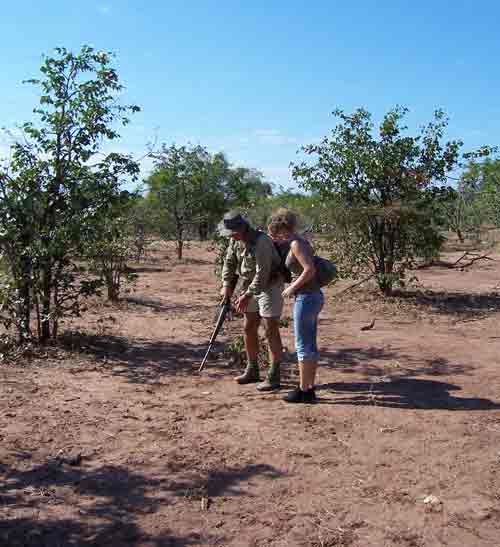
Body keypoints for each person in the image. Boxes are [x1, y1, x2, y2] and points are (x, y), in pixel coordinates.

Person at [219, 211, 284, 391]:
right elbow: (229, 262)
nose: (231, 236)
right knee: (249, 327)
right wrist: (226, 284)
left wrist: (247, 295)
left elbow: (263, 274)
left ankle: (274, 374)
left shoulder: (261, 241)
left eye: (233, 232)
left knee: (270, 329)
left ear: (242, 228)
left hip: (269, 284)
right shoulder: (235, 240)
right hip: (250, 285)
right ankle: (252, 369)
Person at [267, 208, 324, 403]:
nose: (276, 235)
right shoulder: (301, 241)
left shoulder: (296, 244)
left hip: (306, 297)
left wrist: (291, 288)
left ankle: (304, 390)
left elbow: (309, 270)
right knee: (309, 344)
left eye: (277, 230)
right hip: (312, 296)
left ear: (282, 227)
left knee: (303, 345)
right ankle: (308, 387)